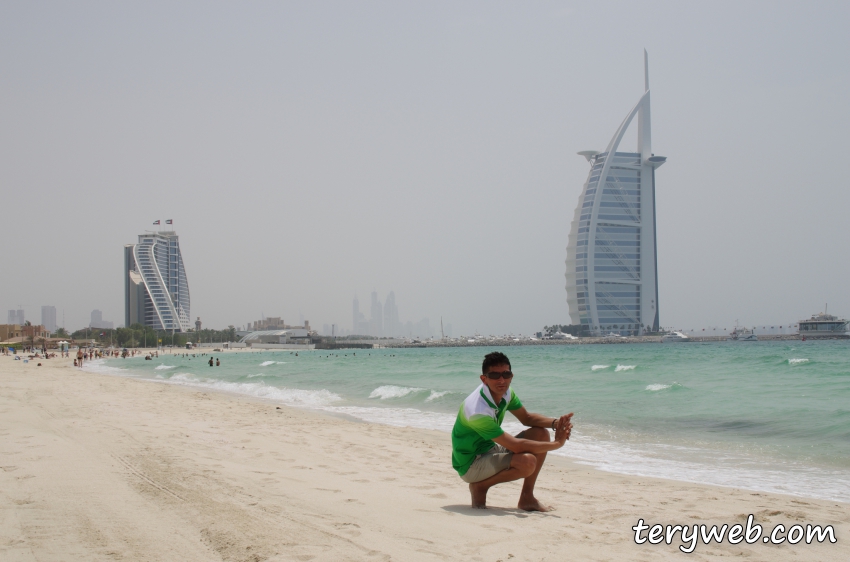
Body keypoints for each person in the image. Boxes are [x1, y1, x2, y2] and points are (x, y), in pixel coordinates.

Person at [451, 351, 573, 512]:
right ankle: (480, 486)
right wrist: (557, 444)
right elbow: (516, 447)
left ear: (511, 376)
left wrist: (556, 423)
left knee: (541, 434)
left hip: (489, 449)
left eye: (506, 374)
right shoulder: (477, 411)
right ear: (484, 379)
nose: (501, 380)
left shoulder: (506, 392)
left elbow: (527, 418)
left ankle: (527, 498)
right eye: (494, 375)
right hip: (471, 464)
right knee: (527, 462)